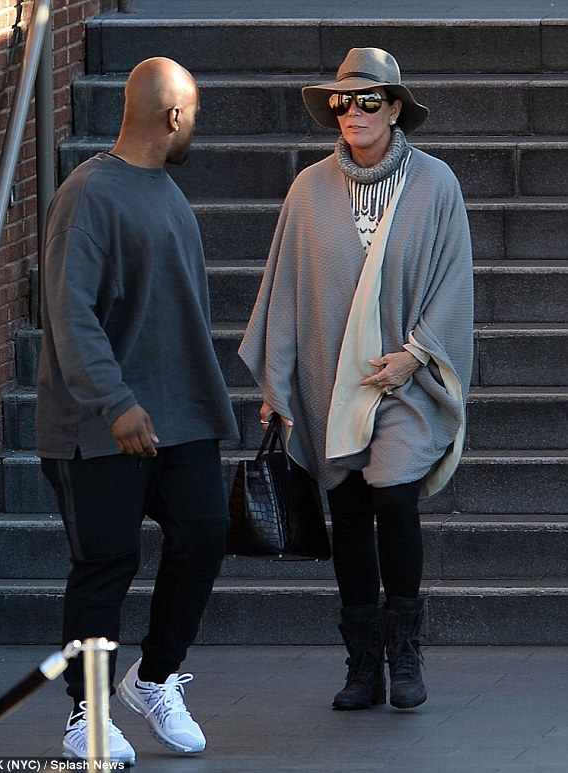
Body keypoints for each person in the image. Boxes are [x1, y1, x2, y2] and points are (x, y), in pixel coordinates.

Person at [239, 48, 473, 712]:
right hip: (326, 378)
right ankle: (363, 662)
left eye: (369, 101)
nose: (353, 113)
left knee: (394, 495)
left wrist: (417, 353)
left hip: (403, 381)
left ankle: (406, 652)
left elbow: (455, 281)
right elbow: (285, 289)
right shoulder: (308, 189)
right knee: (346, 512)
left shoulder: (436, 184)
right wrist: (275, 384)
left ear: (395, 109)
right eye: (343, 102)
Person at [36, 57, 239, 763]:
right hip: (100, 427)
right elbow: (69, 312)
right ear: (174, 116)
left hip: (181, 416)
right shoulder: (88, 194)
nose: (196, 128)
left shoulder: (165, 191)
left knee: (207, 533)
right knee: (106, 564)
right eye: (196, 115)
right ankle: (86, 715)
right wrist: (115, 401)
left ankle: (152, 677)